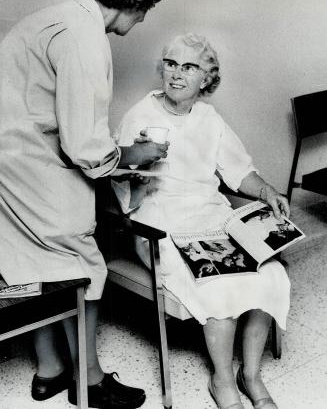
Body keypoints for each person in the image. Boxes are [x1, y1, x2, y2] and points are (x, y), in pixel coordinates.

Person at [0, 0, 173, 409]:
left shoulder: (52, 17)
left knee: (38, 265)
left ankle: (49, 370)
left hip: (11, 166)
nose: (142, 21)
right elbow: (85, 147)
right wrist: (133, 155)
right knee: (81, 268)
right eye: (146, 9)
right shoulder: (84, 38)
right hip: (37, 168)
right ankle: (90, 382)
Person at [113, 33, 290, 409]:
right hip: (160, 222)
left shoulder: (209, 118)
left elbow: (240, 172)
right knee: (217, 288)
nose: (177, 74)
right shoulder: (139, 115)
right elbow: (117, 180)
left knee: (271, 272)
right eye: (171, 63)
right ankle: (222, 380)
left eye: (189, 67)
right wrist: (135, 173)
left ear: (206, 78)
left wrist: (268, 192)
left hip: (211, 213)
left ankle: (251, 374)